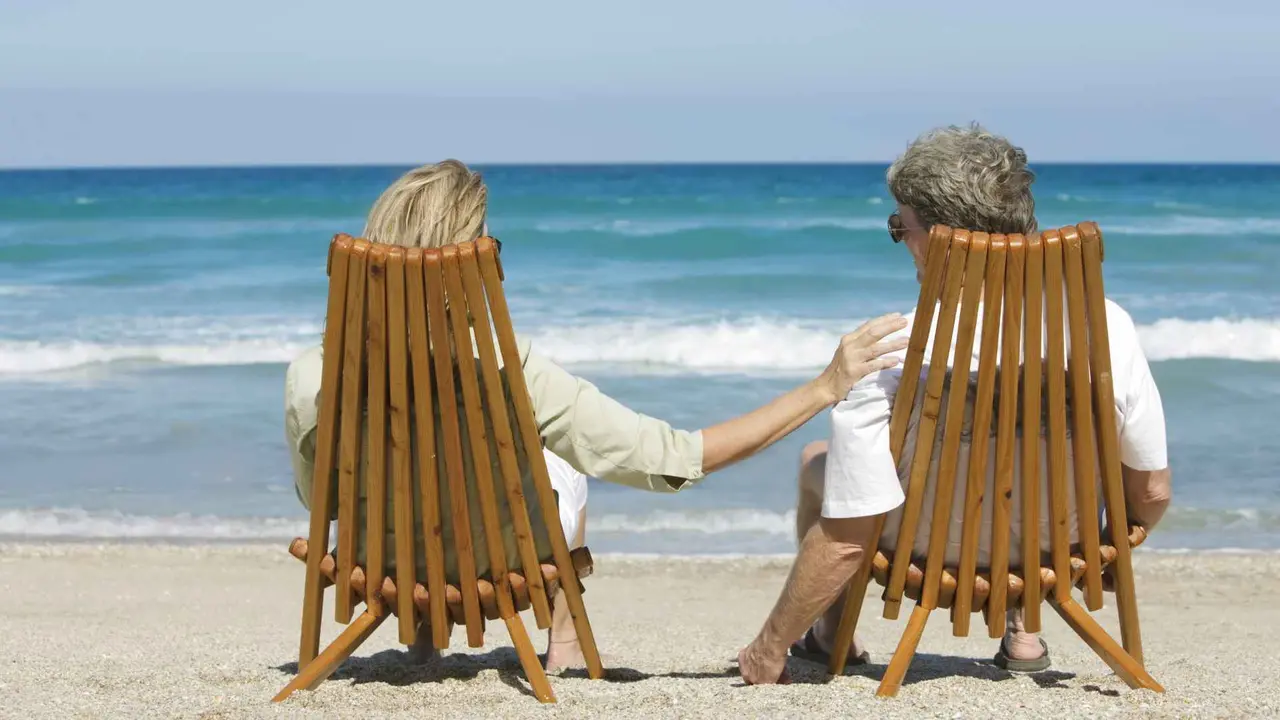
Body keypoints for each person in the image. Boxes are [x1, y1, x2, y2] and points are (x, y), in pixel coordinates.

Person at [284, 159, 909, 673]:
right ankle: (565, 641)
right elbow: (671, 458)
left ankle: (424, 635)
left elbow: (323, 500)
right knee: (558, 460)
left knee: (433, 470)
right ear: (469, 259)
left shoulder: (311, 372)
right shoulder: (509, 372)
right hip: (488, 566)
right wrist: (824, 387)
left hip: (383, 565)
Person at [738, 124, 1174, 684]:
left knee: (814, 463)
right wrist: (1102, 553)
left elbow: (851, 531)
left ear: (940, 236)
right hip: (1058, 547)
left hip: (924, 549)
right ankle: (1024, 627)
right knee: (1032, 460)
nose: (901, 242)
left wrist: (768, 647)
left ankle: (826, 635)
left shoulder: (896, 348)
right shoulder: (1104, 327)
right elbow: (1152, 489)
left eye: (902, 226)